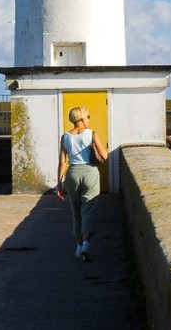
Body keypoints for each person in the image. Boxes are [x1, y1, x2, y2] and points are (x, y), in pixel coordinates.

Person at [57, 106, 107, 262]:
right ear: (81, 119)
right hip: (89, 172)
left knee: (76, 212)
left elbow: (62, 162)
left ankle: (78, 247)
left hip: (72, 174)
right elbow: (104, 155)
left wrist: (59, 183)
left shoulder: (65, 137)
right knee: (88, 210)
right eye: (88, 116)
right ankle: (86, 243)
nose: (88, 119)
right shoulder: (91, 134)